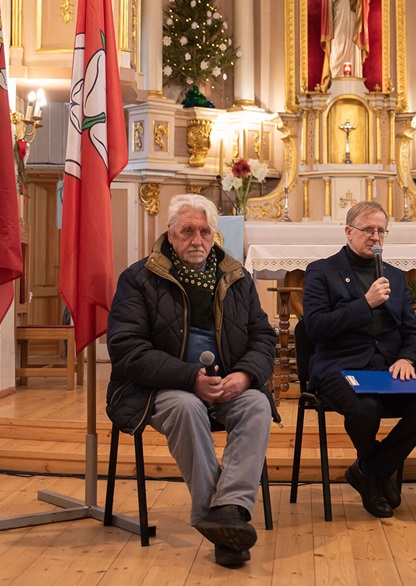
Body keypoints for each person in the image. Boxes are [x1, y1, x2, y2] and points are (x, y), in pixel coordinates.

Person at [106, 194, 277, 568]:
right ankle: (219, 522)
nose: (196, 240)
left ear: (214, 235)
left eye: (204, 232)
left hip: (226, 384)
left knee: (256, 403)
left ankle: (228, 508)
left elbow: (263, 337)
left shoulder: (236, 277)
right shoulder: (139, 279)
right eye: (187, 231)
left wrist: (245, 375)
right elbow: (127, 349)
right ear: (170, 235)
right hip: (158, 388)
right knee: (185, 407)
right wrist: (190, 378)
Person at [302, 201, 416, 518]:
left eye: (381, 230)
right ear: (348, 231)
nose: (375, 236)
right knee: (365, 410)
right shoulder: (321, 271)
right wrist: (364, 304)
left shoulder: (395, 276)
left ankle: (369, 470)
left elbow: (410, 330)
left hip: (387, 369)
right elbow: (315, 328)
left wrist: (409, 358)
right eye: (368, 229)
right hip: (340, 367)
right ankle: (378, 473)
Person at [319, 0, 372, 91]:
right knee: (337, 45)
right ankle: (335, 82)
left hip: (352, 15)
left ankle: (354, 81)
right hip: (337, 14)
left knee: (352, 44)